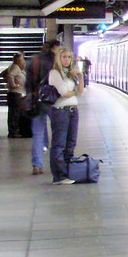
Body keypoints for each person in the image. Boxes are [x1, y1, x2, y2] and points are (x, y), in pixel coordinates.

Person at [47, 46, 84, 185]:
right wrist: (74, 92)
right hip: (60, 111)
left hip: (73, 111)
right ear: (59, 58)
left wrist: (80, 76)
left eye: (69, 57)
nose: (67, 60)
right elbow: (64, 93)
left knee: (71, 143)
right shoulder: (55, 73)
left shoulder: (71, 74)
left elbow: (81, 91)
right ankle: (59, 176)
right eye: (64, 57)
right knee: (59, 144)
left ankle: (69, 172)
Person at [25, 39, 61, 175]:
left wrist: (32, 96)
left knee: (38, 133)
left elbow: (28, 83)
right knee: (58, 132)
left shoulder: (34, 61)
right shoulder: (56, 62)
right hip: (53, 100)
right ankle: (57, 163)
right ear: (55, 47)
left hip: (37, 100)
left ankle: (37, 165)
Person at [1, 52, 29, 138]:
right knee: (14, 113)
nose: (23, 62)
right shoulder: (15, 67)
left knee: (16, 112)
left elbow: (4, 73)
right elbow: (9, 75)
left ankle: (16, 130)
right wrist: (13, 84)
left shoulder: (17, 68)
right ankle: (13, 131)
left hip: (18, 93)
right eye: (22, 60)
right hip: (15, 93)